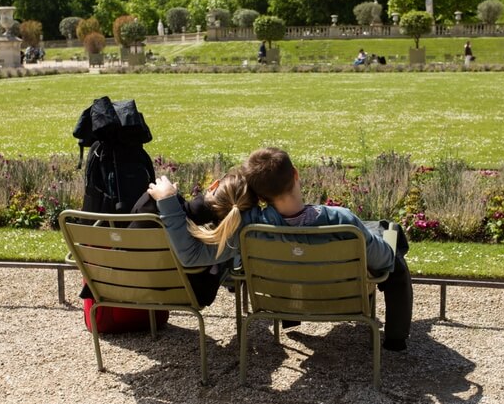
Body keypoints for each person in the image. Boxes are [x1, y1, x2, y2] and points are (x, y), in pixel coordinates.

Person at [149, 147, 413, 350]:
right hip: (340, 294)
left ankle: (290, 316)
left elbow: (190, 255)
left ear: (260, 196)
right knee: (394, 254)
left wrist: (169, 202)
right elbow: (382, 263)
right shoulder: (343, 222)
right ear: (295, 174)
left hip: (285, 299)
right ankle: (395, 342)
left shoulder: (249, 229)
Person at [129, 169, 258, 307]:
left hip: (134, 286)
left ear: (214, 185)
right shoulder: (230, 234)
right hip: (191, 294)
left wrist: (172, 201)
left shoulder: (157, 208)